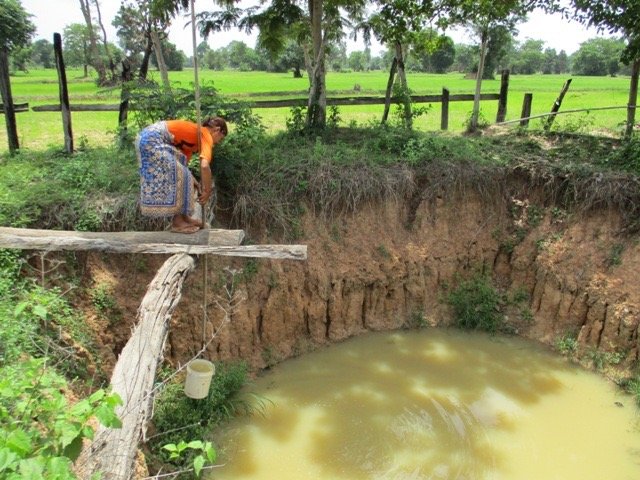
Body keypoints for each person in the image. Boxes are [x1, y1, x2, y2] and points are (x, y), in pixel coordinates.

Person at [135, 116, 227, 233]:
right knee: (181, 176)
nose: (217, 142)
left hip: (148, 138)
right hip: (151, 139)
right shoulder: (205, 134)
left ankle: (185, 218)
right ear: (217, 130)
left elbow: (184, 167)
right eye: (220, 138)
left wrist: (193, 180)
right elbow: (204, 165)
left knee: (185, 176)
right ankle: (178, 223)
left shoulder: (192, 142)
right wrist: (207, 191)